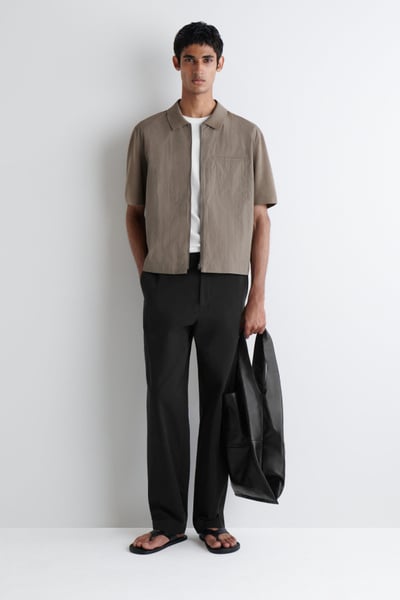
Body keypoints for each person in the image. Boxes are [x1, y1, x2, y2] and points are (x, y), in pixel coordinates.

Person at [125, 21, 277, 555]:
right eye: (189, 58)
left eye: (207, 59)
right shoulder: (147, 133)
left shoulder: (247, 135)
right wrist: (148, 276)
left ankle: (211, 520)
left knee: (219, 400)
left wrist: (256, 296)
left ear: (220, 65)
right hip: (165, 282)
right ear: (176, 64)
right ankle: (167, 522)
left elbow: (260, 220)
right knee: (164, 400)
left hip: (226, 284)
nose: (197, 68)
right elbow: (133, 212)